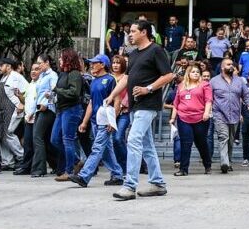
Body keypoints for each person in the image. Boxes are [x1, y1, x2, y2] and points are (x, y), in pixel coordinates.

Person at [104, 20, 174, 201]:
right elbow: (127, 78)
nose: (130, 34)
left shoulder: (156, 50)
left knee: (133, 140)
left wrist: (148, 88)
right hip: (135, 106)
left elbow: (168, 75)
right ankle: (157, 183)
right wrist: (112, 95)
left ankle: (129, 185)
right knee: (147, 145)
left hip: (148, 104)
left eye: (134, 31)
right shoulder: (133, 54)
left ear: (144, 32)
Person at [72, 54, 124, 187]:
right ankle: (117, 175)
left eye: (95, 63)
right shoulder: (94, 81)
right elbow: (91, 103)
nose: (92, 65)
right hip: (95, 121)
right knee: (106, 150)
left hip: (106, 121)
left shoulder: (110, 79)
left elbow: (117, 100)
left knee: (97, 148)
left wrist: (113, 121)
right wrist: (84, 122)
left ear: (102, 64)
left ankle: (84, 176)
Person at [168, 61, 213, 176]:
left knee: (201, 143)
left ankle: (207, 165)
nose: (196, 73)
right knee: (185, 143)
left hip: (200, 118)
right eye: (193, 72)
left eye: (198, 72)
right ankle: (183, 169)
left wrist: (206, 113)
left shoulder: (204, 85)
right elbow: (176, 103)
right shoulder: (181, 86)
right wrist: (173, 118)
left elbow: (209, 100)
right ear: (188, 73)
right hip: (183, 118)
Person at [209, 56, 249, 173]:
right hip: (219, 114)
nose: (231, 66)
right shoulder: (214, 81)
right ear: (222, 67)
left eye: (232, 64)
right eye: (228, 64)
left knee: (231, 140)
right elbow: (208, 97)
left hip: (235, 115)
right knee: (223, 137)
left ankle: (229, 161)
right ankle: (224, 163)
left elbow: (246, 94)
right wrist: (208, 110)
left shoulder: (239, 81)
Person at [50, 49, 86, 181]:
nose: (59, 60)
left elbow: (74, 92)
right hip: (61, 109)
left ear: (68, 59)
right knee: (54, 139)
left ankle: (69, 170)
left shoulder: (74, 74)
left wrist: (57, 90)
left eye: (61, 58)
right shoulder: (62, 73)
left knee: (67, 139)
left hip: (71, 109)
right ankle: (76, 160)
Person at [30, 54, 58, 177]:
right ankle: (57, 165)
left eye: (40, 63)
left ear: (47, 63)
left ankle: (39, 169)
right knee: (45, 139)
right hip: (39, 109)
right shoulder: (41, 76)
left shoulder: (52, 76)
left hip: (47, 109)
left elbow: (55, 91)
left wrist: (46, 103)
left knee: (37, 137)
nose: (39, 65)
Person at [0, 57, 26, 169]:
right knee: (2, 134)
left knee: (8, 132)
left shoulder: (17, 77)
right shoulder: (4, 77)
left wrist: (21, 103)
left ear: (8, 67)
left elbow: (26, 90)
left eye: (1, 65)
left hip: (14, 108)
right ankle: (7, 161)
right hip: (2, 109)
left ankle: (21, 156)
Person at [14, 63, 40, 175]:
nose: (33, 72)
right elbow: (27, 101)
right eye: (32, 70)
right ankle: (26, 166)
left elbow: (38, 101)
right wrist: (19, 96)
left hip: (35, 117)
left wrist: (31, 113)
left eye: (36, 70)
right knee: (28, 143)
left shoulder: (40, 84)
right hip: (28, 117)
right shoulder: (31, 84)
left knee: (34, 143)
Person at [109, 55, 130, 172]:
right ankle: (119, 167)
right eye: (113, 63)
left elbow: (129, 95)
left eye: (118, 63)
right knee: (113, 141)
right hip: (110, 112)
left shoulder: (126, 78)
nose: (115, 65)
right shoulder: (108, 77)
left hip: (124, 112)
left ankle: (127, 165)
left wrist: (123, 105)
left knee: (118, 138)